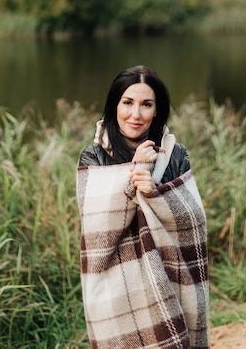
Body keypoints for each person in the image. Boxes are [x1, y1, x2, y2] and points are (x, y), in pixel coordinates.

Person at [77, 65, 210, 349]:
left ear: (157, 111)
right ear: (114, 105)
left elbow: (192, 220)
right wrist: (132, 179)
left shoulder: (175, 154)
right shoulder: (94, 155)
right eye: (127, 103)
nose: (135, 114)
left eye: (146, 105)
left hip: (167, 269)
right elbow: (95, 226)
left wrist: (155, 194)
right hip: (116, 277)